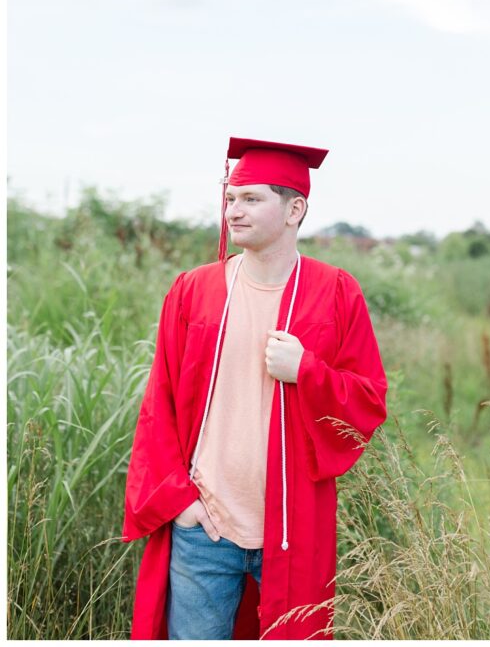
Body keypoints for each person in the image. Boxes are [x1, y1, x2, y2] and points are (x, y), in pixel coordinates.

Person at [122, 137, 388, 639]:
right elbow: (159, 406)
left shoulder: (335, 292)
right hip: (205, 526)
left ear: (295, 209)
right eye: (230, 199)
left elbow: (368, 400)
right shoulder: (193, 290)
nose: (234, 212)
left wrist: (306, 370)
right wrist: (181, 503)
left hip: (292, 526)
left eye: (251, 199)